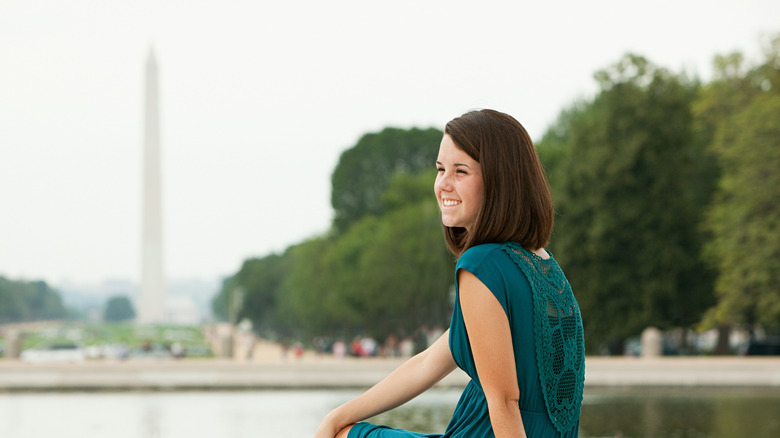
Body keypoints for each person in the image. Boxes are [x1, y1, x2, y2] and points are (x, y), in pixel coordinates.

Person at [314, 109, 585, 438]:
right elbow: (427, 364)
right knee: (342, 429)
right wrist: (336, 416)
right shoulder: (544, 265)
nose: (443, 184)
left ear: (500, 180)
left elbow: (505, 402)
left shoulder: (482, 265)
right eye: (441, 169)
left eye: (461, 171)